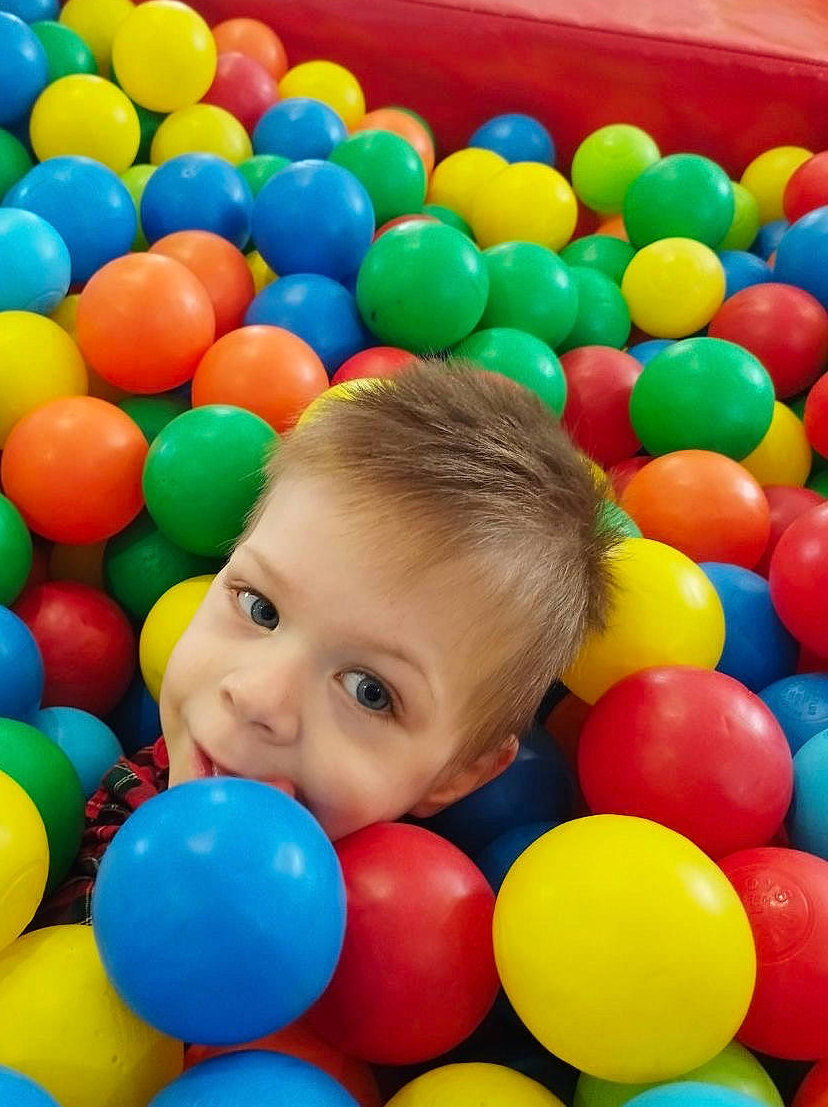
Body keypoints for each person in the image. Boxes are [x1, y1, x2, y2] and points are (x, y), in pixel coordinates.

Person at [41, 358, 615, 926]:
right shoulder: (145, 789)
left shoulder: (414, 943)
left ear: (457, 774)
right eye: (260, 608)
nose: (260, 698)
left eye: (369, 691)